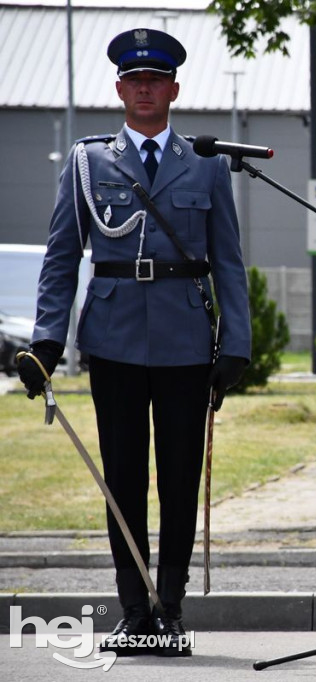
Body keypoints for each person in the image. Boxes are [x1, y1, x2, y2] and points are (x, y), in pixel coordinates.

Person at [17, 28, 251, 657]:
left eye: (156, 80)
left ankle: (169, 607)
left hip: (185, 340)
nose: (145, 88)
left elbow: (228, 259)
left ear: (174, 88)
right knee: (123, 477)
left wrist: (237, 343)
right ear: (120, 88)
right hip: (114, 340)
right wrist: (46, 341)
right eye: (133, 80)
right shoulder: (89, 161)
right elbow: (62, 257)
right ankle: (132, 608)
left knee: (179, 477)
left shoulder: (205, 162)